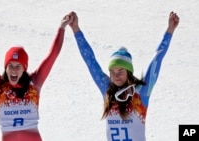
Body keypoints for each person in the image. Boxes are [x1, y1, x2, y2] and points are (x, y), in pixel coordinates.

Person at [0, 13, 73, 141]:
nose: (13, 70)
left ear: (24, 68)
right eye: (10, 66)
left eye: (18, 66)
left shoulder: (34, 83)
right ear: (5, 67)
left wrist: (62, 28)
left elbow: (52, 55)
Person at [68, 11, 179, 141]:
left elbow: (157, 59)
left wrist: (170, 31)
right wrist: (76, 29)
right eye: (112, 72)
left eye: (120, 70)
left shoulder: (141, 92)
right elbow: (90, 61)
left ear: (129, 72)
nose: (116, 75)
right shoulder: (107, 90)